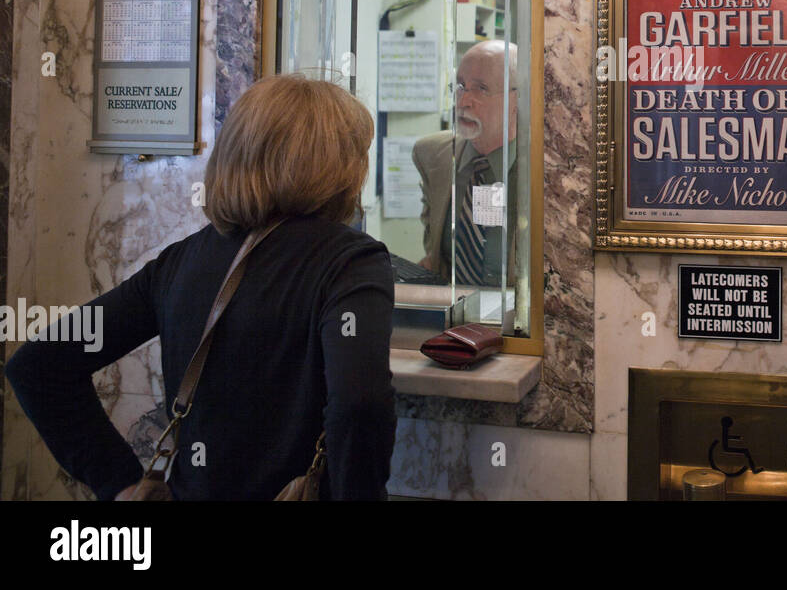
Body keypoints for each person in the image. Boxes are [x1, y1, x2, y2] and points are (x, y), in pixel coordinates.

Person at [3, 74, 396, 500]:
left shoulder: (182, 260)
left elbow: (39, 365)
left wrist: (119, 483)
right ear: (340, 168)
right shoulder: (352, 261)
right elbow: (360, 405)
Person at [411, 39, 518, 287]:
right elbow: (434, 248)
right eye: (460, 86)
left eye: (480, 88)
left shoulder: (548, 169)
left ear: (518, 100)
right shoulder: (432, 155)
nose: (463, 101)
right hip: (455, 316)